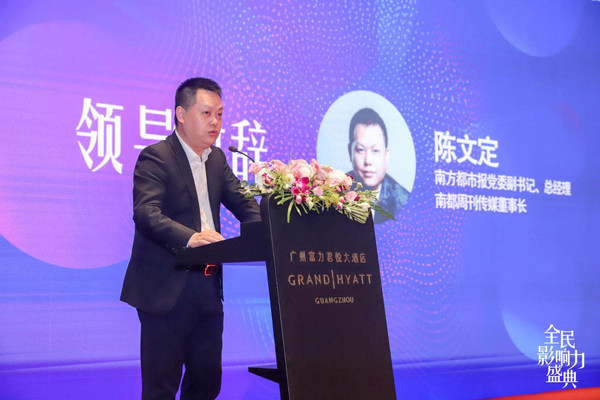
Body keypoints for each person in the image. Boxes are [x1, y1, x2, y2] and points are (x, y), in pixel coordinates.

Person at [120, 77, 261, 400]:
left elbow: (245, 205)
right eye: (207, 113)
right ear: (181, 115)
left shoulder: (217, 160)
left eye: (220, 115)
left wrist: (269, 230)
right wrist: (191, 237)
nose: (215, 123)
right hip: (166, 289)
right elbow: (146, 213)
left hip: (207, 289)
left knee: (206, 385)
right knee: (161, 389)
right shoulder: (157, 156)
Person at [347, 107, 410, 224]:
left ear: (386, 155)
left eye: (375, 151)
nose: (368, 161)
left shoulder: (403, 201)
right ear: (350, 152)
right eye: (361, 150)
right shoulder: (335, 192)